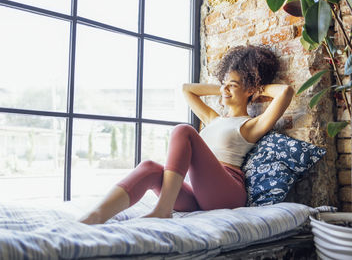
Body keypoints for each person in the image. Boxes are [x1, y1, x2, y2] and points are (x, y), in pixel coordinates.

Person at [80, 45, 294, 225]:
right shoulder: (213, 118)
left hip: (226, 192)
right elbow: (186, 89)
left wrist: (255, 86)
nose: (225, 89)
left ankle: (163, 209)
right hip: (198, 193)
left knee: (183, 130)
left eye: (233, 85)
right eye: (224, 84)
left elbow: (285, 92)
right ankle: (94, 216)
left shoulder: (250, 125)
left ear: (250, 90)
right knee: (149, 168)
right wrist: (227, 85)